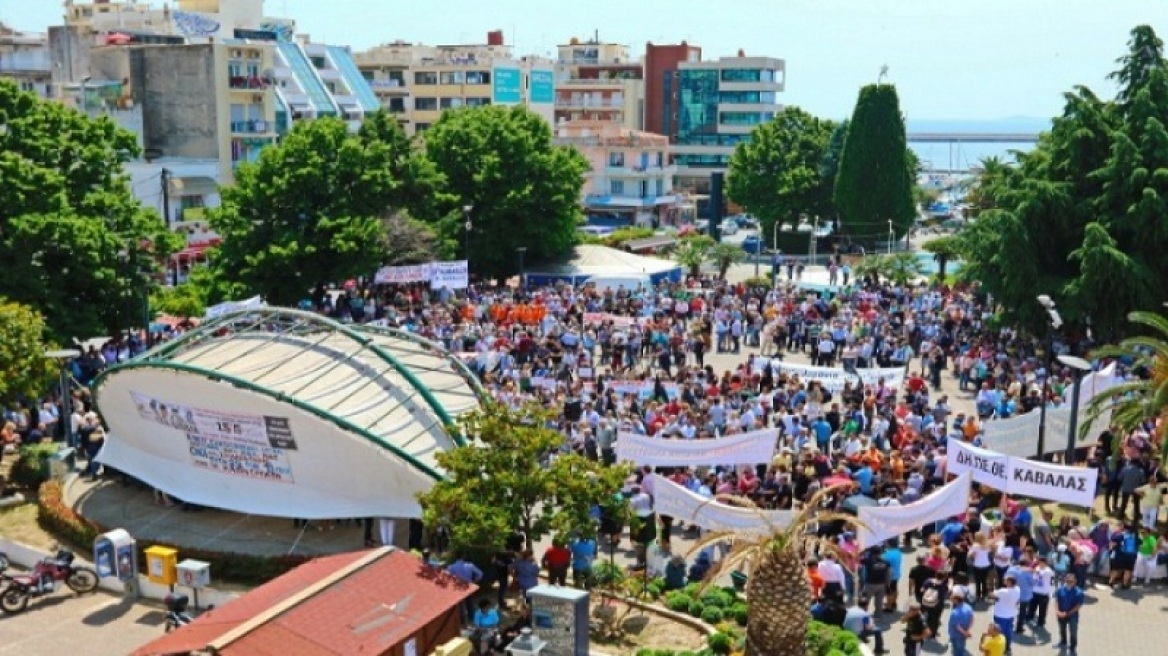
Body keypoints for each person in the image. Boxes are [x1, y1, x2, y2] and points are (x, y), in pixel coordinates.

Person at [1054, 573, 1084, 654]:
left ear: (1075, 581)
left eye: (1071, 581)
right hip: (1061, 614)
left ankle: (1072, 647)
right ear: (1065, 581)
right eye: (1067, 581)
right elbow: (1057, 601)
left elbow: (1078, 606)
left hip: (1072, 615)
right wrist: (1057, 611)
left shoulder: (1079, 592)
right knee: (1062, 629)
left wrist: (1067, 613)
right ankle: (1063, 642)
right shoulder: (1060, 590)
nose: (1069, 583)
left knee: (1073, 632)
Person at [989, 574, 1019, 653]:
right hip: (1011, 614)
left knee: (1000, 632)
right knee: (1008, 631)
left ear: (1009, 582)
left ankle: (1001, 647)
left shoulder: (1002, 591)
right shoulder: (1017, 590)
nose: (1004, 581)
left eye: (1006, 580)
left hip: (1000, 615)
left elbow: (991, 594)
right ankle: (1008, 647)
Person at [1029, 555, 1054, 628]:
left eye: (1042, 562)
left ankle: (1041, 622)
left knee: (1042, 610)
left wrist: (1036, 571)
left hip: (1044, 593)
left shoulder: (1049, 571)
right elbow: (1034, 577)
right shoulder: (1037, 568)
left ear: (1046, 563)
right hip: (1035, 591)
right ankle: (1030, 617)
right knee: (1032, 606)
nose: (1041, 564)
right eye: (1040, 562)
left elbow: (1050, 580)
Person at [947, 591, 975, 656]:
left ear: (956, 600)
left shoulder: (955, 612)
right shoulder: (968, 607)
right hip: (963, 634)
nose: (950, 600)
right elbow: (972, 619)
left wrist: (965, 633)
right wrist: (967, 631)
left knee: (957, 651)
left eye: (952, 599)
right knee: (961, 648)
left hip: (956, 635)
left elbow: (957, 626)